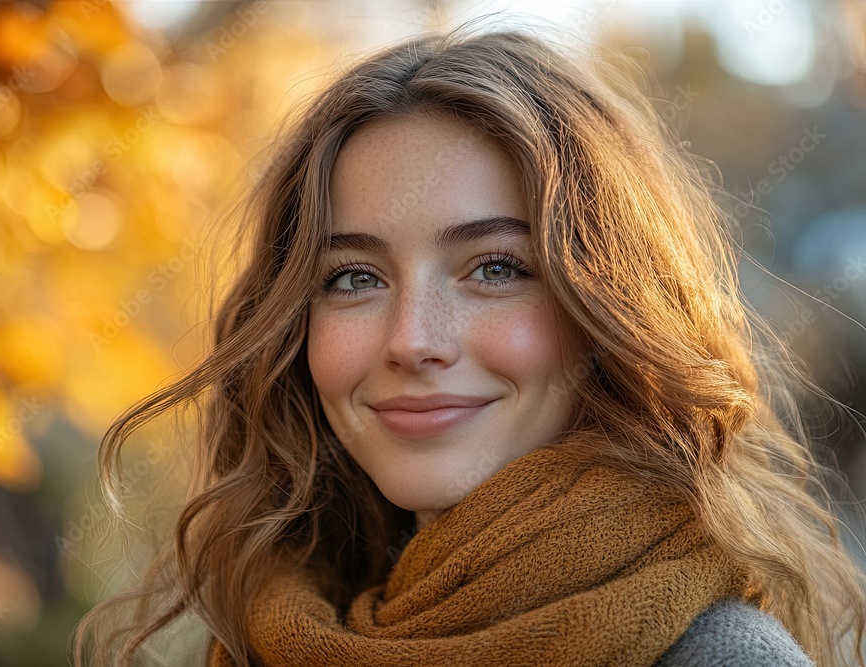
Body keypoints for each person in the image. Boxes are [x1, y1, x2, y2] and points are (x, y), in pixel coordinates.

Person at [76, 27, 866, 666]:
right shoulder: (264, 636)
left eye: (495, 268)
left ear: (613, 310)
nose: (412, 340)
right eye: (354, 277)